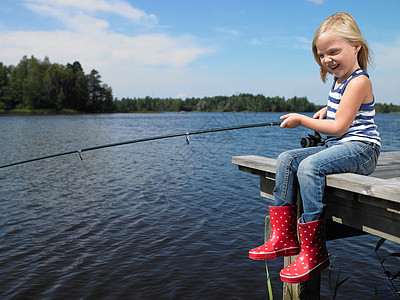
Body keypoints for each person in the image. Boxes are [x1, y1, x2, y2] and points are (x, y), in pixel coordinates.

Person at [248, 11, 381, 283]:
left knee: (309, 166)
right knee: (287, 159)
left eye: (334, 51)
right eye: (321, 55)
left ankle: (314, 250)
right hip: (342, 145)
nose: (327, 60)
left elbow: (340, 128)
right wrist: (325, 109)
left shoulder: (359, 80)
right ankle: (283, 236)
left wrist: (302, 119)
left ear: (356, 46)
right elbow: (343, 111)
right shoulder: (341, 80)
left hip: (363, 149)